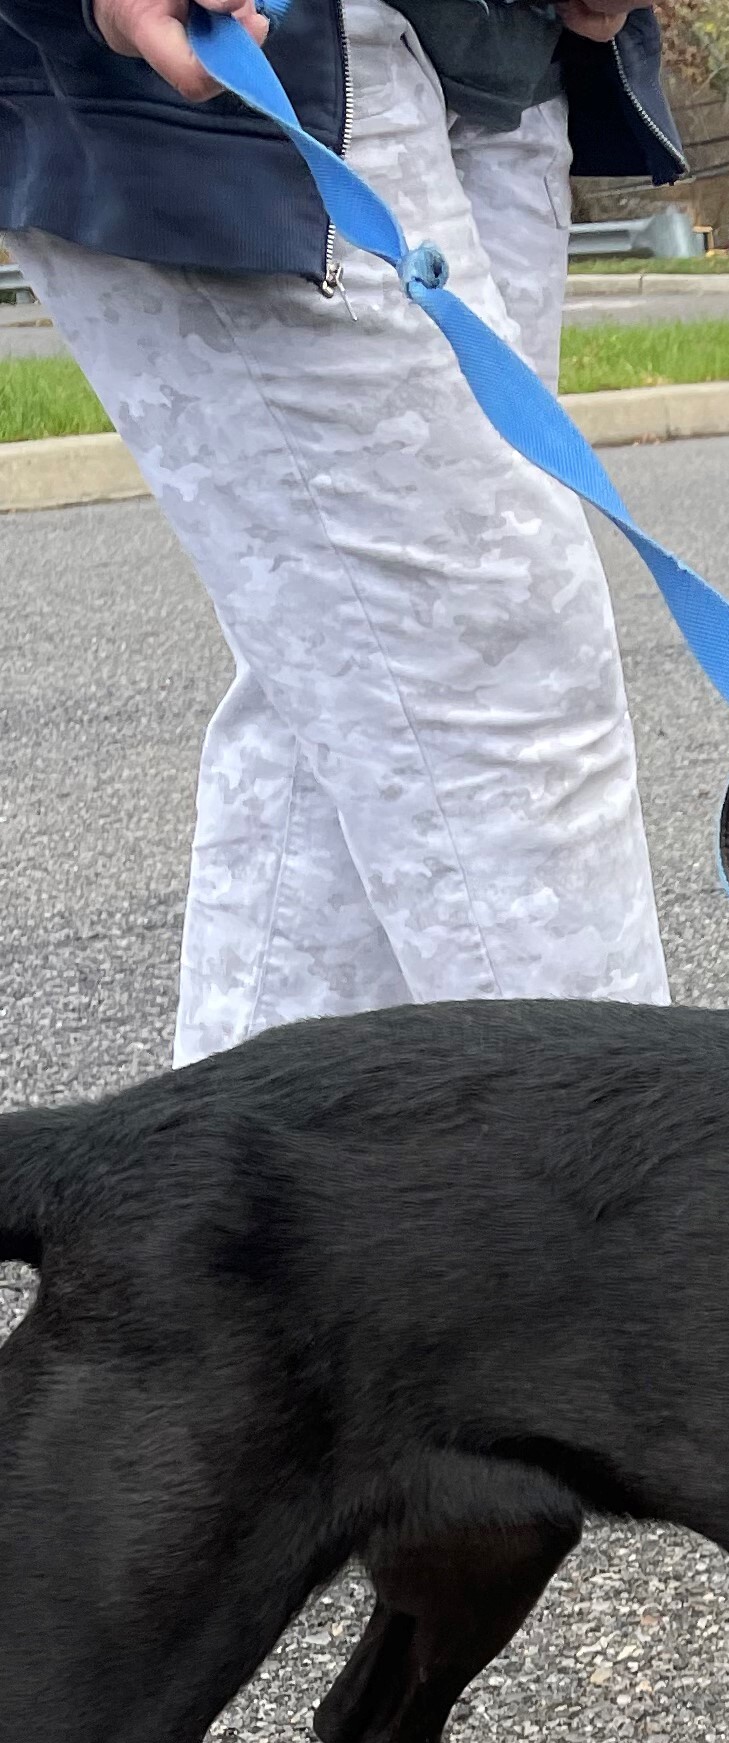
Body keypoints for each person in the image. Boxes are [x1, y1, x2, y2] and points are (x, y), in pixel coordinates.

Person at [0, 0, 683, 1063]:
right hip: (249, 57)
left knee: (359, 711)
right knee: (497, 678)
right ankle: (629, 1220)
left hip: (495, 65)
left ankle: (231, 1225)